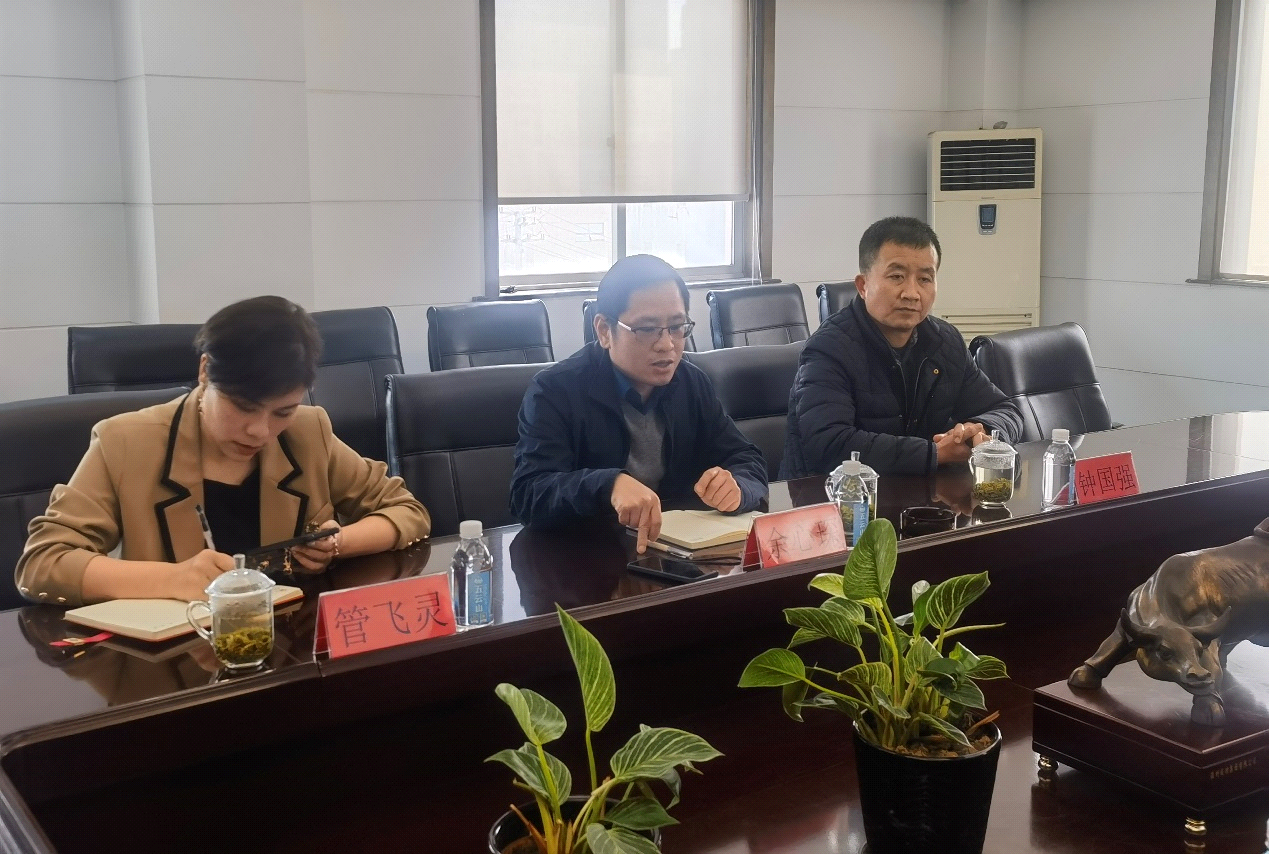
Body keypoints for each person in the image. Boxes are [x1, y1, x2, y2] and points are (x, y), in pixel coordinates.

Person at [16, 296, 430, 607]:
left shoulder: (308, 431)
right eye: (244, 407)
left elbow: (407, 511)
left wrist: (339, 543)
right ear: (204, 372)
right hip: (176, 665)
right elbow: (42, 564)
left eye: (282, 411)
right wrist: (174, 579)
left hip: (287, 650)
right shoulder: (124, 442)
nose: (260, 431)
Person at [510, 255, 768, 552]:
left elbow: (746, 457)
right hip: (587, 558)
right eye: (646, 329)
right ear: (604, 331)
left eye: (677, 326)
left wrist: (737, 486)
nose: (667, 344)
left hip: (677, 554)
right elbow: (528, 494)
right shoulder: (555, 390)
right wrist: (608, 485)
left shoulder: (691, 383)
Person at [783, 217, 1023, 478]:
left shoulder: (945, 342)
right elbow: (829, 444)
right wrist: (934, 454)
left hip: (921, 494)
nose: (912, 293)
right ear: (863, 286)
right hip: (832, 496)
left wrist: (979, 434)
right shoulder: (829, 348)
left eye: (925, 279)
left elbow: (1006, 410)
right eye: (897, 277)